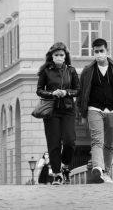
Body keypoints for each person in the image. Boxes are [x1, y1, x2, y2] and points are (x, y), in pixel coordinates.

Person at [77, 38, 113, 184]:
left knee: (109, 143)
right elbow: (81, 91)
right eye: (96, 51)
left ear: (107, 51)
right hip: (94, 109)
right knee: (97, 140)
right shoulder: (88, 70)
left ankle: (106, 172)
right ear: (93, 52)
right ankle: (97, 168)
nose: (99, 54)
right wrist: (82, 112)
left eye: (101, 51)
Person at [36, 42, 80, 185]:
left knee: (70, 141)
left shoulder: (71, 71)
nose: (59, 57)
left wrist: (66, 92)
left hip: (68, 109)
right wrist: (52, 93)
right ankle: (56, 174)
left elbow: (78, 90)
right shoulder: (45, 71)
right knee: (54, 143)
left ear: (65, 56)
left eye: (61, 55)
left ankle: (65, 166)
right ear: (52, 56)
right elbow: (39, 90)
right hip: (52, 110)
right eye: (56, 55)